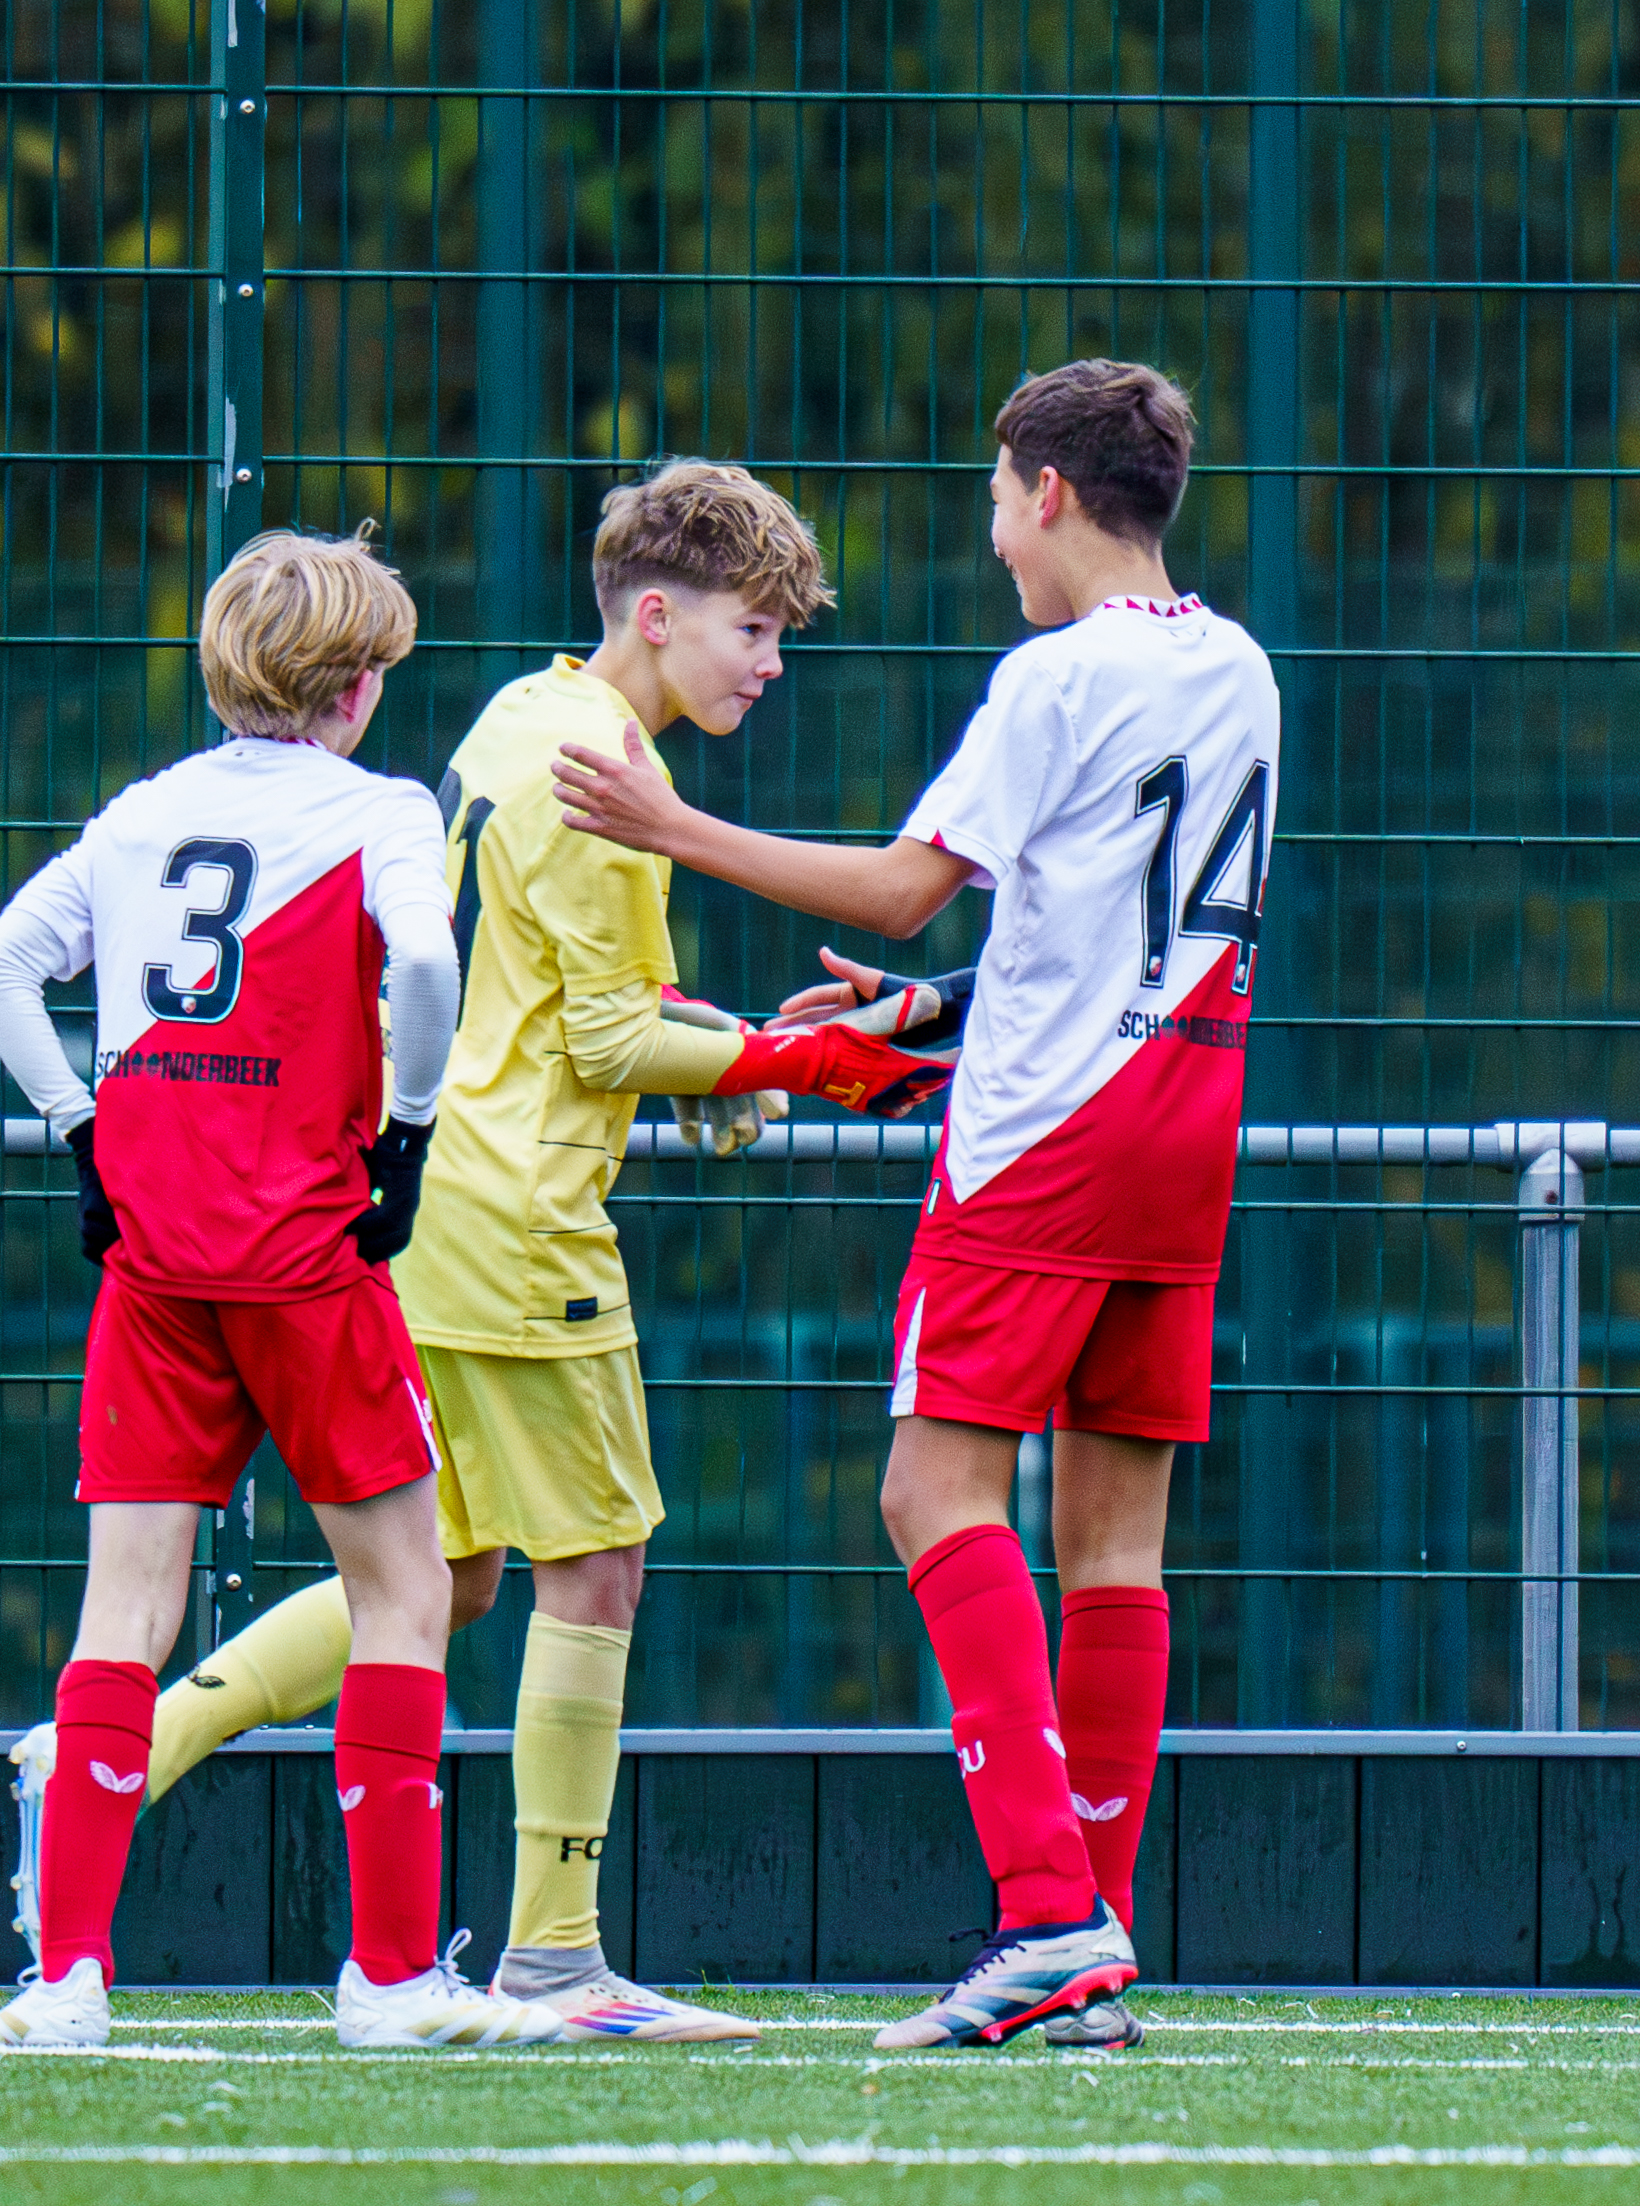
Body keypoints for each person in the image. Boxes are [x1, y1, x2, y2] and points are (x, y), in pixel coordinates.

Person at [0, 465, 950, 2044]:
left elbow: (527, 994)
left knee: (446, 1567)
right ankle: (549, 1959)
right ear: (660, 613)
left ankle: (117, 1753)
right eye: (755, 628)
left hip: (403, 1210)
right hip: (507, 1221)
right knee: (588, 1561)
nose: (769, 663)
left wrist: (735, 1046)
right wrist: (800, 1064)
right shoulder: (610, 777)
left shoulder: (520, 717)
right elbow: (593, 1026)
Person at [550, 360, 1274, 2052]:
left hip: (1042, 1145)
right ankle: (1085, 1941)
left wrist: (675, 822)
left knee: (930, 1489)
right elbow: (1119, 919)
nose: (989, 529)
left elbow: (901, 882)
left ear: (1042, 490)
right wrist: (932, 1010)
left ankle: (1039, 1912)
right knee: (1115, 1543)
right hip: (1184, 1124)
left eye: (991, 492)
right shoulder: (1233, 662)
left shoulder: (1053, 673)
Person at [0, 526, 560, 2049]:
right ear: (359, 688)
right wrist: (408, 1133)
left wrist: (79, 1130)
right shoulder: (377, 811)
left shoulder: (140, 814)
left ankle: (71, 1980)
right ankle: (391, 1975)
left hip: (157, 1261)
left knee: (123, 1612)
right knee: (407, 1592)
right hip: (307, 1258)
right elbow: (424, 970)